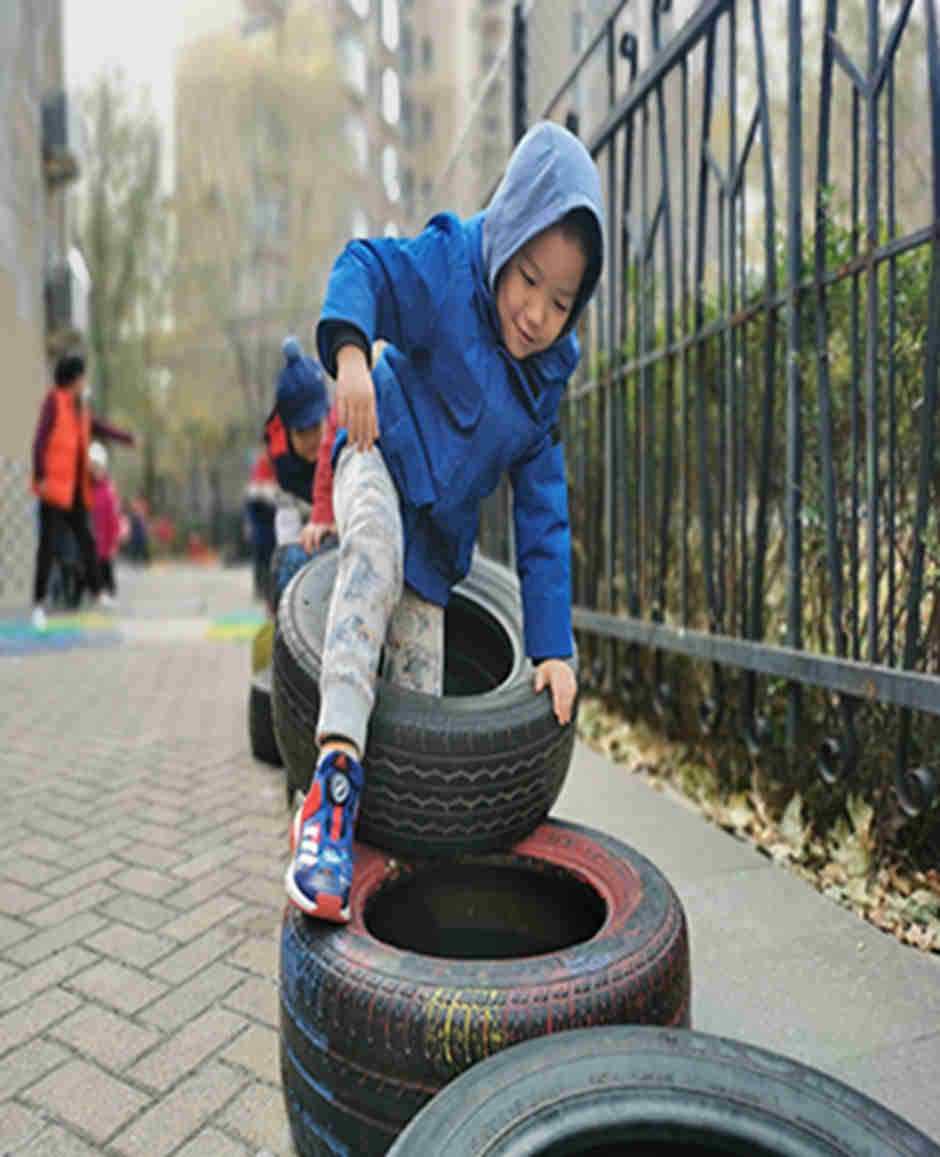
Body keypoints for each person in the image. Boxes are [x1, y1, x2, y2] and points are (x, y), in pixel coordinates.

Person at [285, 121, 605, 922]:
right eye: (527, 279)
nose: (535, 313)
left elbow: (544, 516)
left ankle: (382, 853)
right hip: (376, 454)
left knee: (420, 704)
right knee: (373, 555)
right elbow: (366, 266)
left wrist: (553, 646)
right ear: (506, 234)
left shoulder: (542, 386)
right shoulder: (449, 269)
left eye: (560, 302)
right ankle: (329, 795)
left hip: (436, 546)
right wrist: (351, 357)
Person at [30, 353, 133, 629]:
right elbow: (40, 439)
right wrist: (40, 474)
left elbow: (98, 427)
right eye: (82, 377)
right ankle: (38, 604)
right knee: (48, 547)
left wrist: (124, 437)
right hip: (54, 488)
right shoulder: (54, 402)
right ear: (73, 378)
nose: (84, 381)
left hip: (76, 490)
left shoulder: (80, 408)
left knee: (87, 540)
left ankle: (98, 591)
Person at [263, 337, 338, 607]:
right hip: (306, 538)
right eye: (302, 433)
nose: (312, 440)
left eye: (316, 428)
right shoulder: (285, 469)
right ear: (287, 431)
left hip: (339, 531)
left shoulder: (339, 445)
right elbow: (287, 534)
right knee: (285, 563)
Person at [87, 441, 121, 606]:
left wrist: (114, 541)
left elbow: (113, 518)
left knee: (106, 568)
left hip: (105, 541)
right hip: (90, 540)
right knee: (93, 568)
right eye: (93, 468)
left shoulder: (108, 490)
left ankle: (109, 591)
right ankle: (95, 591)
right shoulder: (86, 489)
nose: (96, 472)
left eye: (98, 468)